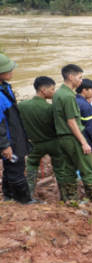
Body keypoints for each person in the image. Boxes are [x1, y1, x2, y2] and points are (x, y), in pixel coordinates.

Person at [52, 64, 92, 203]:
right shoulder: (69, 96)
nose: (81, 81)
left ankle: (72, 199)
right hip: (73, 138)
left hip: (63, 139)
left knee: (69, 170)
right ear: (71, 77)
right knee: (87, 170)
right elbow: (72, 122)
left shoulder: (57, 93)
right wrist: (83, 142)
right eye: (79, 77)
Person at [19, 76, 66, 201]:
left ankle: (29, 194)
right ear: (44, 90)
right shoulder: (51, 108)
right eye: (53, 89)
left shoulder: (22, 105)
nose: (54, 91)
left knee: (31, 164)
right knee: (60, 169)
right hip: (54, 143)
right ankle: (64, 197)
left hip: (35, 144)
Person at [0, 54, 35, 204]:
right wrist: (5, 146)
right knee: (16, 168)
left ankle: (9, 196)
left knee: (9, 167)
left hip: (14, 134)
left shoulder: (5, 87)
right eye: (8, 69)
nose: (11, 71)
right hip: (9, 139)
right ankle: (24, 200)